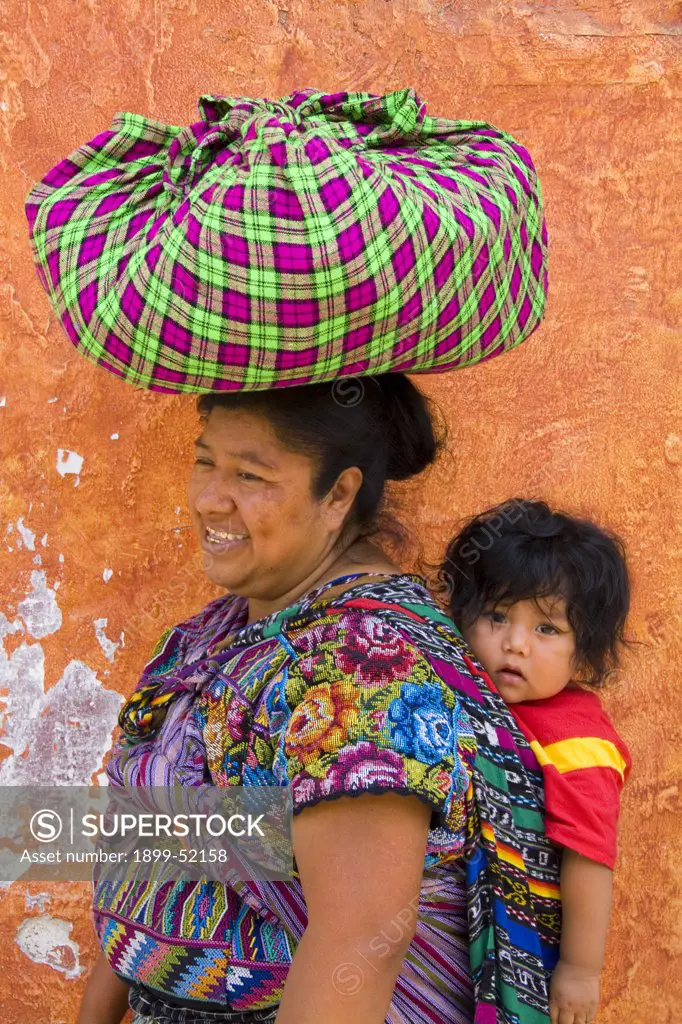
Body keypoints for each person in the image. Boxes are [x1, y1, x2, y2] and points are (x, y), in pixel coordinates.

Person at [77, 378, 562, 1024]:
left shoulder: (362, 668)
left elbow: (359, 942)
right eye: (204, 462)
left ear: (338, 494)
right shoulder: (211, 637)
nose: (208, 500)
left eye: (250, 476)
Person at [439, 498, 632, 1024]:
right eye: (497, 616)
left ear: (585, 649)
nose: (515, 644)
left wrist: (579, 970)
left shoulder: (579, 742)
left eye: (547, 628)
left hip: (526, 957)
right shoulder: (459, 694)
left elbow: (590, 856)